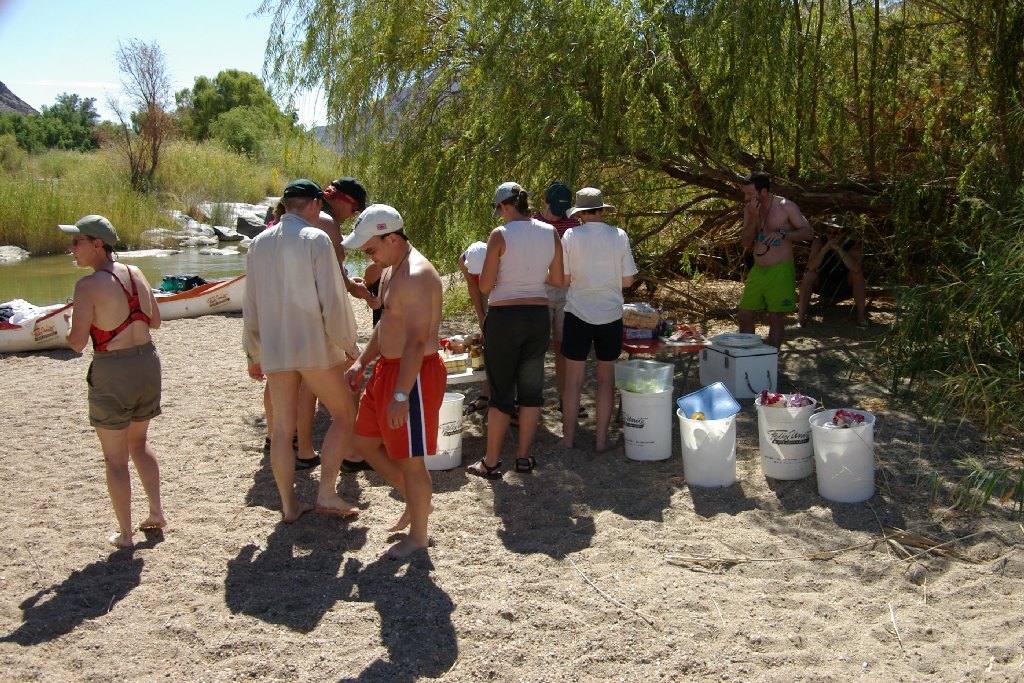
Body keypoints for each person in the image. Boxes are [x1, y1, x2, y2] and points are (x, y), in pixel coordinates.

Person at [243, 179, 360, 523]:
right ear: (313, 205)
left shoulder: (258, 243)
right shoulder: (316, 239)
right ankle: (326, 492)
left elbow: (251, 305)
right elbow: (333, 300)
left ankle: (289, 505)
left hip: (276, 348)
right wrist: (349, 345)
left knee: (281, 430)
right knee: (344, 414)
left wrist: (254, 353)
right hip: (313, 347)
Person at [343, 204, 445, 559]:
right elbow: (386, 324)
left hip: (413, 374)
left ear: (392, 238)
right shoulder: (391, 269)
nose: (368, 257)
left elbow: (416, 341)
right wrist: (362, 362)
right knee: (363, 441)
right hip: (388, 369)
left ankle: (419, 537)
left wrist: (401, 395)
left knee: (411, 459)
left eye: (370, 249)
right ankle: (419, 503)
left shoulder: (416, 275)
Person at [62, 215, 165, 548]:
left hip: (113, 370)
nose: (71, 248)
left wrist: (70, 322)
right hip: (147, 364)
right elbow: (155, 321)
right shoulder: (136, 273)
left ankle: (125, 534)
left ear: (97, 245)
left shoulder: (88, 286)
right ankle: (156, 512)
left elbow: (77, 343)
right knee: (139, 443)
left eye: (76, 242)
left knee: (115, 458)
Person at [467, 182, 564, 478]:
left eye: (500, 210)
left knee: (501, 391)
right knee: (531, 391)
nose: (501, 216)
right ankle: (523, 458)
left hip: (505, 317)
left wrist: (505, 273)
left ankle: (491, 462)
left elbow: (485, 285)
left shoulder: (500, 234)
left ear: (505, 206)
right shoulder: (550, 232)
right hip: (537, 316)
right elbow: (558, 279)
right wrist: (530, 274)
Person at [559, 188, 638, 452]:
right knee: (606, 380)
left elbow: (565, 278)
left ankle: (568, 439)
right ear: (602, 210)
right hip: (610, 315)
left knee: (573, 381)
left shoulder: (571, 235)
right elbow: (628, 280)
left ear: (580, 214)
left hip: (577, 313)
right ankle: (601, 440)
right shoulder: (619, 235)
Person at [738, 171, 813, 348]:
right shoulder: (750, 209)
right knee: (745, 314)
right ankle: (747, 355)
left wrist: (783, 234)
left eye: (750, 193)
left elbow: (808, 233)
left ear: (763, 191)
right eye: (745, 193)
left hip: (780, 269)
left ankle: (772, 357)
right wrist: (753, 218)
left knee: (775, 316)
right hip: (758, 269)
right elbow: (746, 243)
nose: (746, 198)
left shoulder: (785, 206)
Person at [532, 181, 581, 414]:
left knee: (563, 347)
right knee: (536, 348)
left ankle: (566, 399)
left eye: (563, 211)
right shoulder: (533, 223)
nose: (558, 216)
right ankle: (531, 401)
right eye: (554, 210)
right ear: (545, 201)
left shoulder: (573, 223)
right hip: (541, 289)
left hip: (566, 292)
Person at [797, 216, 868, 328]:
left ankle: (861, 316)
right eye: (828, 232)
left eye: (836, 233)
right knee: (810, 275)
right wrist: (824, 249)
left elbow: (856, 268)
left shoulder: (852, 245)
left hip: (844, 286)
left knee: (857, 275)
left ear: (844, 233)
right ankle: (800, 318)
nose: (831, 236)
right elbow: (811, 267)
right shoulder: (819, 242)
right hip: (823, 284)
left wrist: (839, 249)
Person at [458, 240, 490, 414]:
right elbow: (472, 286)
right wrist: (480, 315)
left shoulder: (497, 256)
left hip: (497, 286)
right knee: (487, 342)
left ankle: (506, 395)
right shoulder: (463, 261)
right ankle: (486, 395)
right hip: (482, 291)